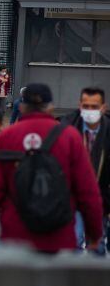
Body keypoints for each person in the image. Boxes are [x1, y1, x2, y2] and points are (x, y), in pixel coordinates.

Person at [0, 84, 103, 253]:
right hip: (60, 240)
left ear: (21, 107)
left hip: (15, 241)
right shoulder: (70, 137)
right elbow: (88, 193)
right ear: (50, 107)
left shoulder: (6, 137)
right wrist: (94, 235)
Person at [60, 87, 110, 254]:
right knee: (74, 242)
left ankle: (96, 279)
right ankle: (72, 278)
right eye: (86, 106)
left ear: (103, 107)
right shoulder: (66, 128)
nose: (89, 111)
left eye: (94, 107)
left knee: (98, 246)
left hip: (100, 198)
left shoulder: (107, 131)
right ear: (79, 105)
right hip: (72, 197)